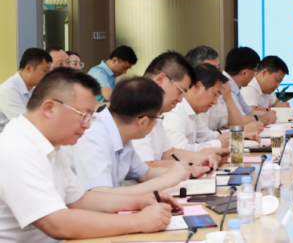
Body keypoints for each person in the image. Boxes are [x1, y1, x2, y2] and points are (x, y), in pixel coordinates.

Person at [0, 67, 180, 242]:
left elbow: (80, 200)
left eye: (91, 116)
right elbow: (57, 224)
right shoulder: (17, 148)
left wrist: (140, 201)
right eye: (83, 115)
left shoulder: (50, 144)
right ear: (49, 108)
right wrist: (138, 221)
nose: (87, 125)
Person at [69, 78, 211, 194]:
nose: (156, 123)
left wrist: (189, 171)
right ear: (142, 122)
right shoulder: (94, 136)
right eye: (157, 118)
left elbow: (144, 174)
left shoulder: (122, 132)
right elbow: (101, 196)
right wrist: (166, 180)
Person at [132, 52, 229, 167]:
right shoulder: (137, 110)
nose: (180, 99)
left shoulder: (155, 112)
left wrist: (203, 157)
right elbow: (145, 168)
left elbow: (169, 153)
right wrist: (192, 164)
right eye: (180, 91)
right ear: (160, 80)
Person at [164, 64, 260, 151]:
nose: (215, 102)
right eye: (215, 95)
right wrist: (218, 143)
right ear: (198, 86)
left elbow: (208, 136)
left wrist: (238, 135)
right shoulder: (175, 111)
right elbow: (179, 150)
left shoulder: (192, 111)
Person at [187, 46, 268, 132]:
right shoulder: (185, 103)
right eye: (212, 69)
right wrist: (263, 120)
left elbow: (234, 124)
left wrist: (229, 99)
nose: (218, 74)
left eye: (218, 69)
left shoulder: (215, 98)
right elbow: (203, 138)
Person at [0, 48, 52, 132]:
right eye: (45, 71)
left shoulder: (32, 89)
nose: (48, 75)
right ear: (29, 68)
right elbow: (25, 124)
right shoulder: (9, 90)